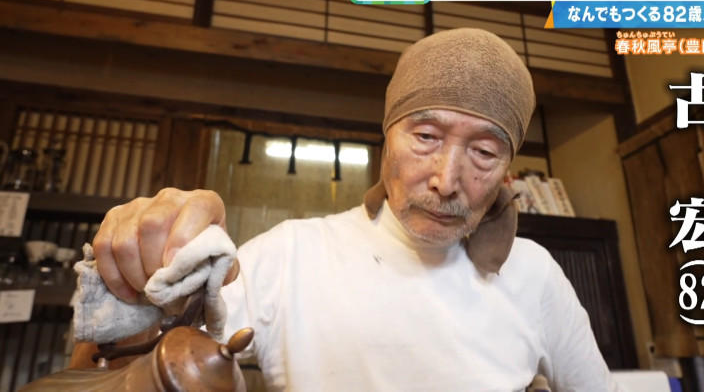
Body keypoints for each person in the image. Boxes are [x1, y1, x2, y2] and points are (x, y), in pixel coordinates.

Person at [71, 28, 619, 391]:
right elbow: (112, 370)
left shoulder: (534, 273)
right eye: (425, 136)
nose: (447, 180)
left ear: (507, 168)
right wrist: (134, 288)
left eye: (483, 152)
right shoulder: (294, 254)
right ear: (388, 137)